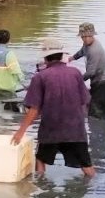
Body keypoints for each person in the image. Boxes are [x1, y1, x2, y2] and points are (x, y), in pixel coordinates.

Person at [11, 38, 95, 178]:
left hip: (51, 130)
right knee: (87, 166)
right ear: (61, 55)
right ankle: (94, 191)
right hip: (75, 130)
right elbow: (85, 101)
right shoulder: (75, 73)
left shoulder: (40, 77)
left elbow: (34, 109)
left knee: (40, 160)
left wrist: (20, 131)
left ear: (45, 58)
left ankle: (41, 189)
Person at [71, 22, 105, 121]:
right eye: (83, 37)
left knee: (95, 116)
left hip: (104, 85)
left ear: (92, 35)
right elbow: (82, 51)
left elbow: (90, 73)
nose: (86, 39)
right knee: (98, 113)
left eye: (88, 36)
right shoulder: (87, 44)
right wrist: (72, 58)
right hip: (102, 83)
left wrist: (75, 82)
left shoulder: (94, 50)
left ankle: (100, 134)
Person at [0, 29, 24, 112]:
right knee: (9, 116)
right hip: (8, 92)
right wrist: (25, 84)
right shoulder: (9, 53)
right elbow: (16, 72)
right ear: (9, 40)